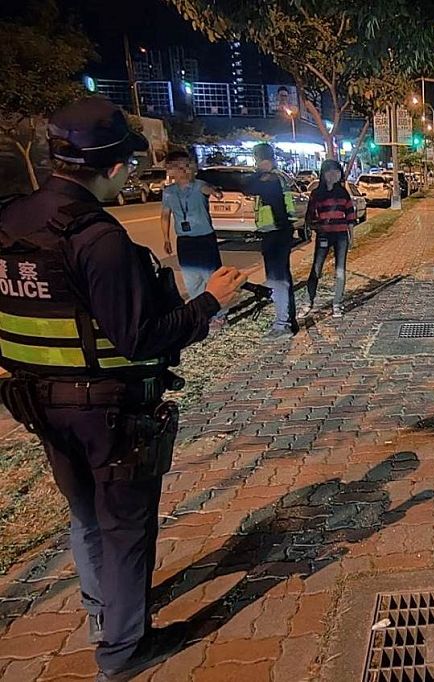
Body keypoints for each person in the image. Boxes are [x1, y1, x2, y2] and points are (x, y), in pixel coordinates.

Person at [0, 97, 246, 680]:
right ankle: (124, 648)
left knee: (85, 518)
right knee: (124, 524)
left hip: (38, 402)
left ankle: (102, 617)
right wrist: (211, 300)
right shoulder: (97, 238)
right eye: (129, 168)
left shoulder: (11, 222)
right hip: (106, 411)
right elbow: (142, 339)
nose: (131, 177)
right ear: (112, 168)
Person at [160, 150, 226, 330]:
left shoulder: (199, 186)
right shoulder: (168, 192)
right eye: (170, 167)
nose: (172, 171)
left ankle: (218, 314)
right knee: (191, 280)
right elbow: (165, 216)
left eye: (176, 167)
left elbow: (211, 191)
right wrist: (166, 238)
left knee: (211, 278)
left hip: (204, 239)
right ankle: (201, 315)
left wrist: (215, 192)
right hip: (185, 241)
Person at [246, 142, 298, 339]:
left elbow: (247, 187)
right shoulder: (280, 176)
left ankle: (282, 324)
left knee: (277, 279)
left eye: (256, 160)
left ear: (259, 159)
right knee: (282, 277)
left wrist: (258, 172)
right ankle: (285, 320)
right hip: (280, 231)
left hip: (275, 232)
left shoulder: (269, 178)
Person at [299, 159, 356, 319]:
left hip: (341, 236)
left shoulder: (343, 193)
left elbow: (350, 216)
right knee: (316, 269)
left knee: (340, 271)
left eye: (336, 172)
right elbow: (310, 216)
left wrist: (352, 237)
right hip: (324, 235)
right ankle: (307, 303)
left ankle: (337, 304)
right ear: (323, 174)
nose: (333, 175)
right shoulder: (317, 194)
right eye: (329, 171)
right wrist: (317, 227)